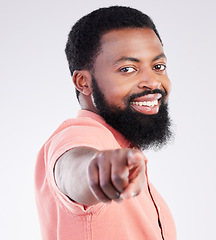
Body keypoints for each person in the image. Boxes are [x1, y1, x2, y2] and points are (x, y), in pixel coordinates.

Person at [35, 6, 177, 240]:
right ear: (83, 82)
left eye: (158, 66)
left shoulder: (123, 145)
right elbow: (72, 168)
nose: (153, 82)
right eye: (127, 69)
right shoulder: (78, 136)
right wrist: (98, 169)